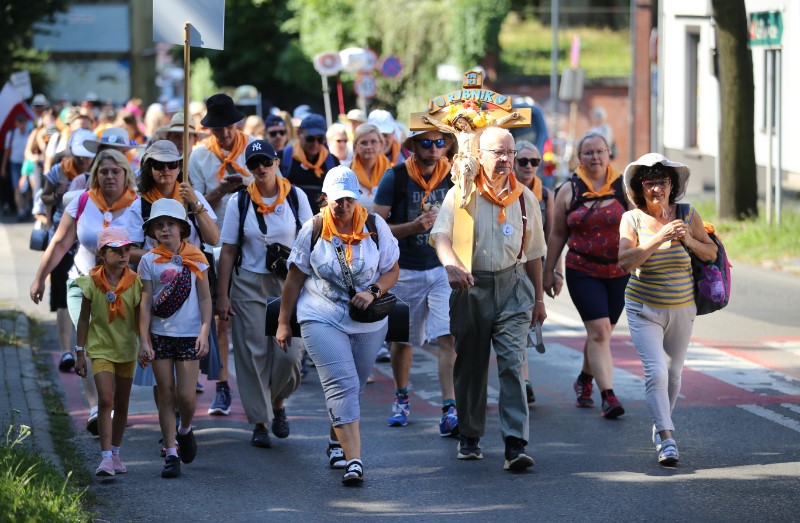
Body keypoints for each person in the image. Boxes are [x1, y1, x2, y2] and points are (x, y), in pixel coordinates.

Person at [431, 126, 546, 471]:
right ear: (479, 156)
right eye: (497, 152)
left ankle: (515, 443)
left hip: (513, 286)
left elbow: (536, 253)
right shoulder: (462, 194)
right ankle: (469, 434)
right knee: (471, 363)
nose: (505, 160)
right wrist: (451, 266)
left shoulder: (526, 198)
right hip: (470, 286)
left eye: (509, 153)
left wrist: (539, 299)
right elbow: (441, 236)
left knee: (512, 361)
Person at [276, 166, 400, 485]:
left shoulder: (375, 225)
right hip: (320, 314)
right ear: (325, 199)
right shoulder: (314, 228)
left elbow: (391, 270)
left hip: (366, 320)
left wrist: (372, 292)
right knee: (341, 383)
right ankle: (354, 460)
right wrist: (283, 323)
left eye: (349, 199)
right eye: (337, 200)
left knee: (354, 387)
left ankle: (336, 440)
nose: (343, 206)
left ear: (357, 198)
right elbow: (293, 279)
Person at [30, 148, 140, 435]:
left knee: (116, 347)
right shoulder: (81, 202)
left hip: (123, 288)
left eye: (116, 171)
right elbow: (59, 243)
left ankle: (111, 404)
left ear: (126, 175)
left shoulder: (138, 206)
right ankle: (96, 406)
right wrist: (40, 278)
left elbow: (150, 251)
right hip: (82, 281)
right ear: (95, 176)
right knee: (91, 343)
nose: (109, 177)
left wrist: (121, 253)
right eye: (103, 172)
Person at [618, 153, 716, 466]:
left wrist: (687, 239)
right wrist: (659, 237)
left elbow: (711, 253)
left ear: (671, 184)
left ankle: (661, 421)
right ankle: (666, 437)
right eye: (650, 182)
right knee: (656, 371)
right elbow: (624, 262)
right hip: (643, 308)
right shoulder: (631, 219)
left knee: (674, 374)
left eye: (662, 181)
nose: (657, 189)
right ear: (639, 187)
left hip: (683, 308)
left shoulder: (687, 214)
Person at [216, 139, 313, 448]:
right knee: (252, 353)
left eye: (266, 162)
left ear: (277, 163)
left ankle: (278, 402)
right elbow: (228, 250)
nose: (260, 168)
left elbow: (310, 243)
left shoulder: (296, 198)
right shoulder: (239, 202)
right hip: (249, 284)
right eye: (254, 163)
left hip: (289, 283)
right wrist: (222, 295)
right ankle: (260, 420)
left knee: (290, 356)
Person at [127, 140, 220, 435]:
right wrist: (164, 257)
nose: (165, 171)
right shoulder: (140, 203)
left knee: (186, 388)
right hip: (154, 288)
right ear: (149, 168)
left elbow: (214, 238)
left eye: (171, 164)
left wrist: (195, 203)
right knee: (161, 380)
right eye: (158, 165)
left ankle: (185, 425)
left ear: (180, 166)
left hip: (193, 288)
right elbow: (127, 250)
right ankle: (169, 438)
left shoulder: (191, 195)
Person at [372, 128, 459, 435]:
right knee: (403, 340)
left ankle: (450, 406)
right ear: (413, 146)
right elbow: (375, 227)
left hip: (440, 268)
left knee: (447, 335)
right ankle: (401, 396)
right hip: (404, 269)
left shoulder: (454, 177)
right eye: (426, 142)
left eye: (439, 142)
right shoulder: (395, 177)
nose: (433, 148)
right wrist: (412, 227)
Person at [543, 131, 630, 419]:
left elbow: (639, 229)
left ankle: (584, 378)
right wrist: (549, 271)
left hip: (619, 272)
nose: (595, 157)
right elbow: (557, 235)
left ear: (608, 154)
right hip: (582, 269)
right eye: (588, 152)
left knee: (601, 334)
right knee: (600, 332)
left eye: (600, 151)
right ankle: (608, 396)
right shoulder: (569, 191)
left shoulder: (624, 188)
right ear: (578, 157)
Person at [189, 93, 254, 418]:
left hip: (253, 245)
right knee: (220, 319)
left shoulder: (254, 147)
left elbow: (271, 191)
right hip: (215, 246)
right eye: (218, 129)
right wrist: (222, 190)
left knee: (253, 320)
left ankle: (260, 385)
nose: (225, 134)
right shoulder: (199, 157)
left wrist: (246, 185)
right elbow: (197, 205)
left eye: (228, 126)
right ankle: (223, 386)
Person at [138, 198, 212, 478]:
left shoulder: (197, 258)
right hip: (160, 335)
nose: (165, 230)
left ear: (183, 228)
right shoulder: (148, 261)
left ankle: (185, 429)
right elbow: (145, 302)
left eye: (170, 224)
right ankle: (171, 452)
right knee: (166, 393)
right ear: (153, 230)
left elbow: (205, 298)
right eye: (159, 225)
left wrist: (205, 331)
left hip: (190, 335)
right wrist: (144, 339)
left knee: (186, 397)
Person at [74, 227, 142, 476]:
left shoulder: (136, 282)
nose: (124, 255)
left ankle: (115, 452)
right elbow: (83, 319)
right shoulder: (91, 282)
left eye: (127, 250)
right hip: (100, 348)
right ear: (102, 254)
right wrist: (80, 352)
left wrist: (145, 345)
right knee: (105, 400)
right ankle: (104, 458)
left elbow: (139, 319)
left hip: (127, 350)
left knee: (122, 403)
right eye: (116, 251)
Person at [39, 129, 97, 373]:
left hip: (86, 240)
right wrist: (56, 195)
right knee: (63, 293)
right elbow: (44, 198)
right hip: (62, 236)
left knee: (88, 297)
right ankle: (66, 350)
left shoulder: (98, 170)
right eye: (81, 156)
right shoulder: (57, 169)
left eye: (88, 157)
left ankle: (87, 347)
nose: (84, 161)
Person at [513, 140, 564, 404]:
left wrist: (554, 271)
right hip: (505, 267)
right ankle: (518, 379)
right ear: (512, 162)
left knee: (523, 325)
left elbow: (553, 235)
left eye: (535, 162)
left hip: (531, 268)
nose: (530, 166)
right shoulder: (502, 190)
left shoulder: (545, 194)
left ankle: (523, 380)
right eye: (523, 161)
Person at [280, 113, 340, 215]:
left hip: (323, 221)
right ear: (299, 134)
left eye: (320, 139)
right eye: (310, 138)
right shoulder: (283, 158)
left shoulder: (332, 162)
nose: (315, 144)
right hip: (291, 220)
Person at [349, 124, 390, 208]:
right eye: (364, 143)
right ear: (355, 146)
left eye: (373, 142)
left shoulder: (391, 172)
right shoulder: (347, 172)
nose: (369, 147)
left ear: (381, 144)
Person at [2, 115, 32, 221]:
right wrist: (3, 167)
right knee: (16, 187)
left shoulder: (30, 134)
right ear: (16, 124)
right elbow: (7, 151)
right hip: (14, 163)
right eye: (19, 122)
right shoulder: (11, 134)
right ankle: (20, 210)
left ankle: (28, 206)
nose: (21, 125)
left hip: (26, 163)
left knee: (28, 187)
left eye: (23, 122)